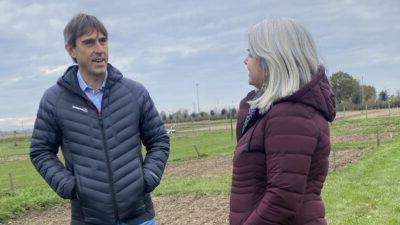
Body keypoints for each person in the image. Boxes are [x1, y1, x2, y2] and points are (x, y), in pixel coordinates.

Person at [30, 13, 169, 225]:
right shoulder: (54, 99)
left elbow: (159, 140)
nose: (99, 49)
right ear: (71, 50)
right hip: (88, 219)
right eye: (89, 42)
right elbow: (40, 151)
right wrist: (69, 186)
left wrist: (147, 178)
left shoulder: (134, 92)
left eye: (103, 40)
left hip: (140, 217)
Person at [229, 18, 336, 225]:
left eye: (251, 53)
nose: (245, 60)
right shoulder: (274, 112)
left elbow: (281, 199)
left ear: (272, 58)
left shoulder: (290, 115)